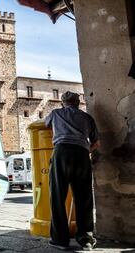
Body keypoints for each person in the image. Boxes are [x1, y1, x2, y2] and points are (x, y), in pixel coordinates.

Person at [45, 91, 100, 251]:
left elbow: (46, 125)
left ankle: (60, 239)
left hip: (62, 152)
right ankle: (86, 239)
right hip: (82, 154)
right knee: (84, 197)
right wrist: (86, 150)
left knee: (57, 196)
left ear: (63, 103)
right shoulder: (87, 118)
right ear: (78, 103)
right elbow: (96, 143)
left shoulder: (56, 113)